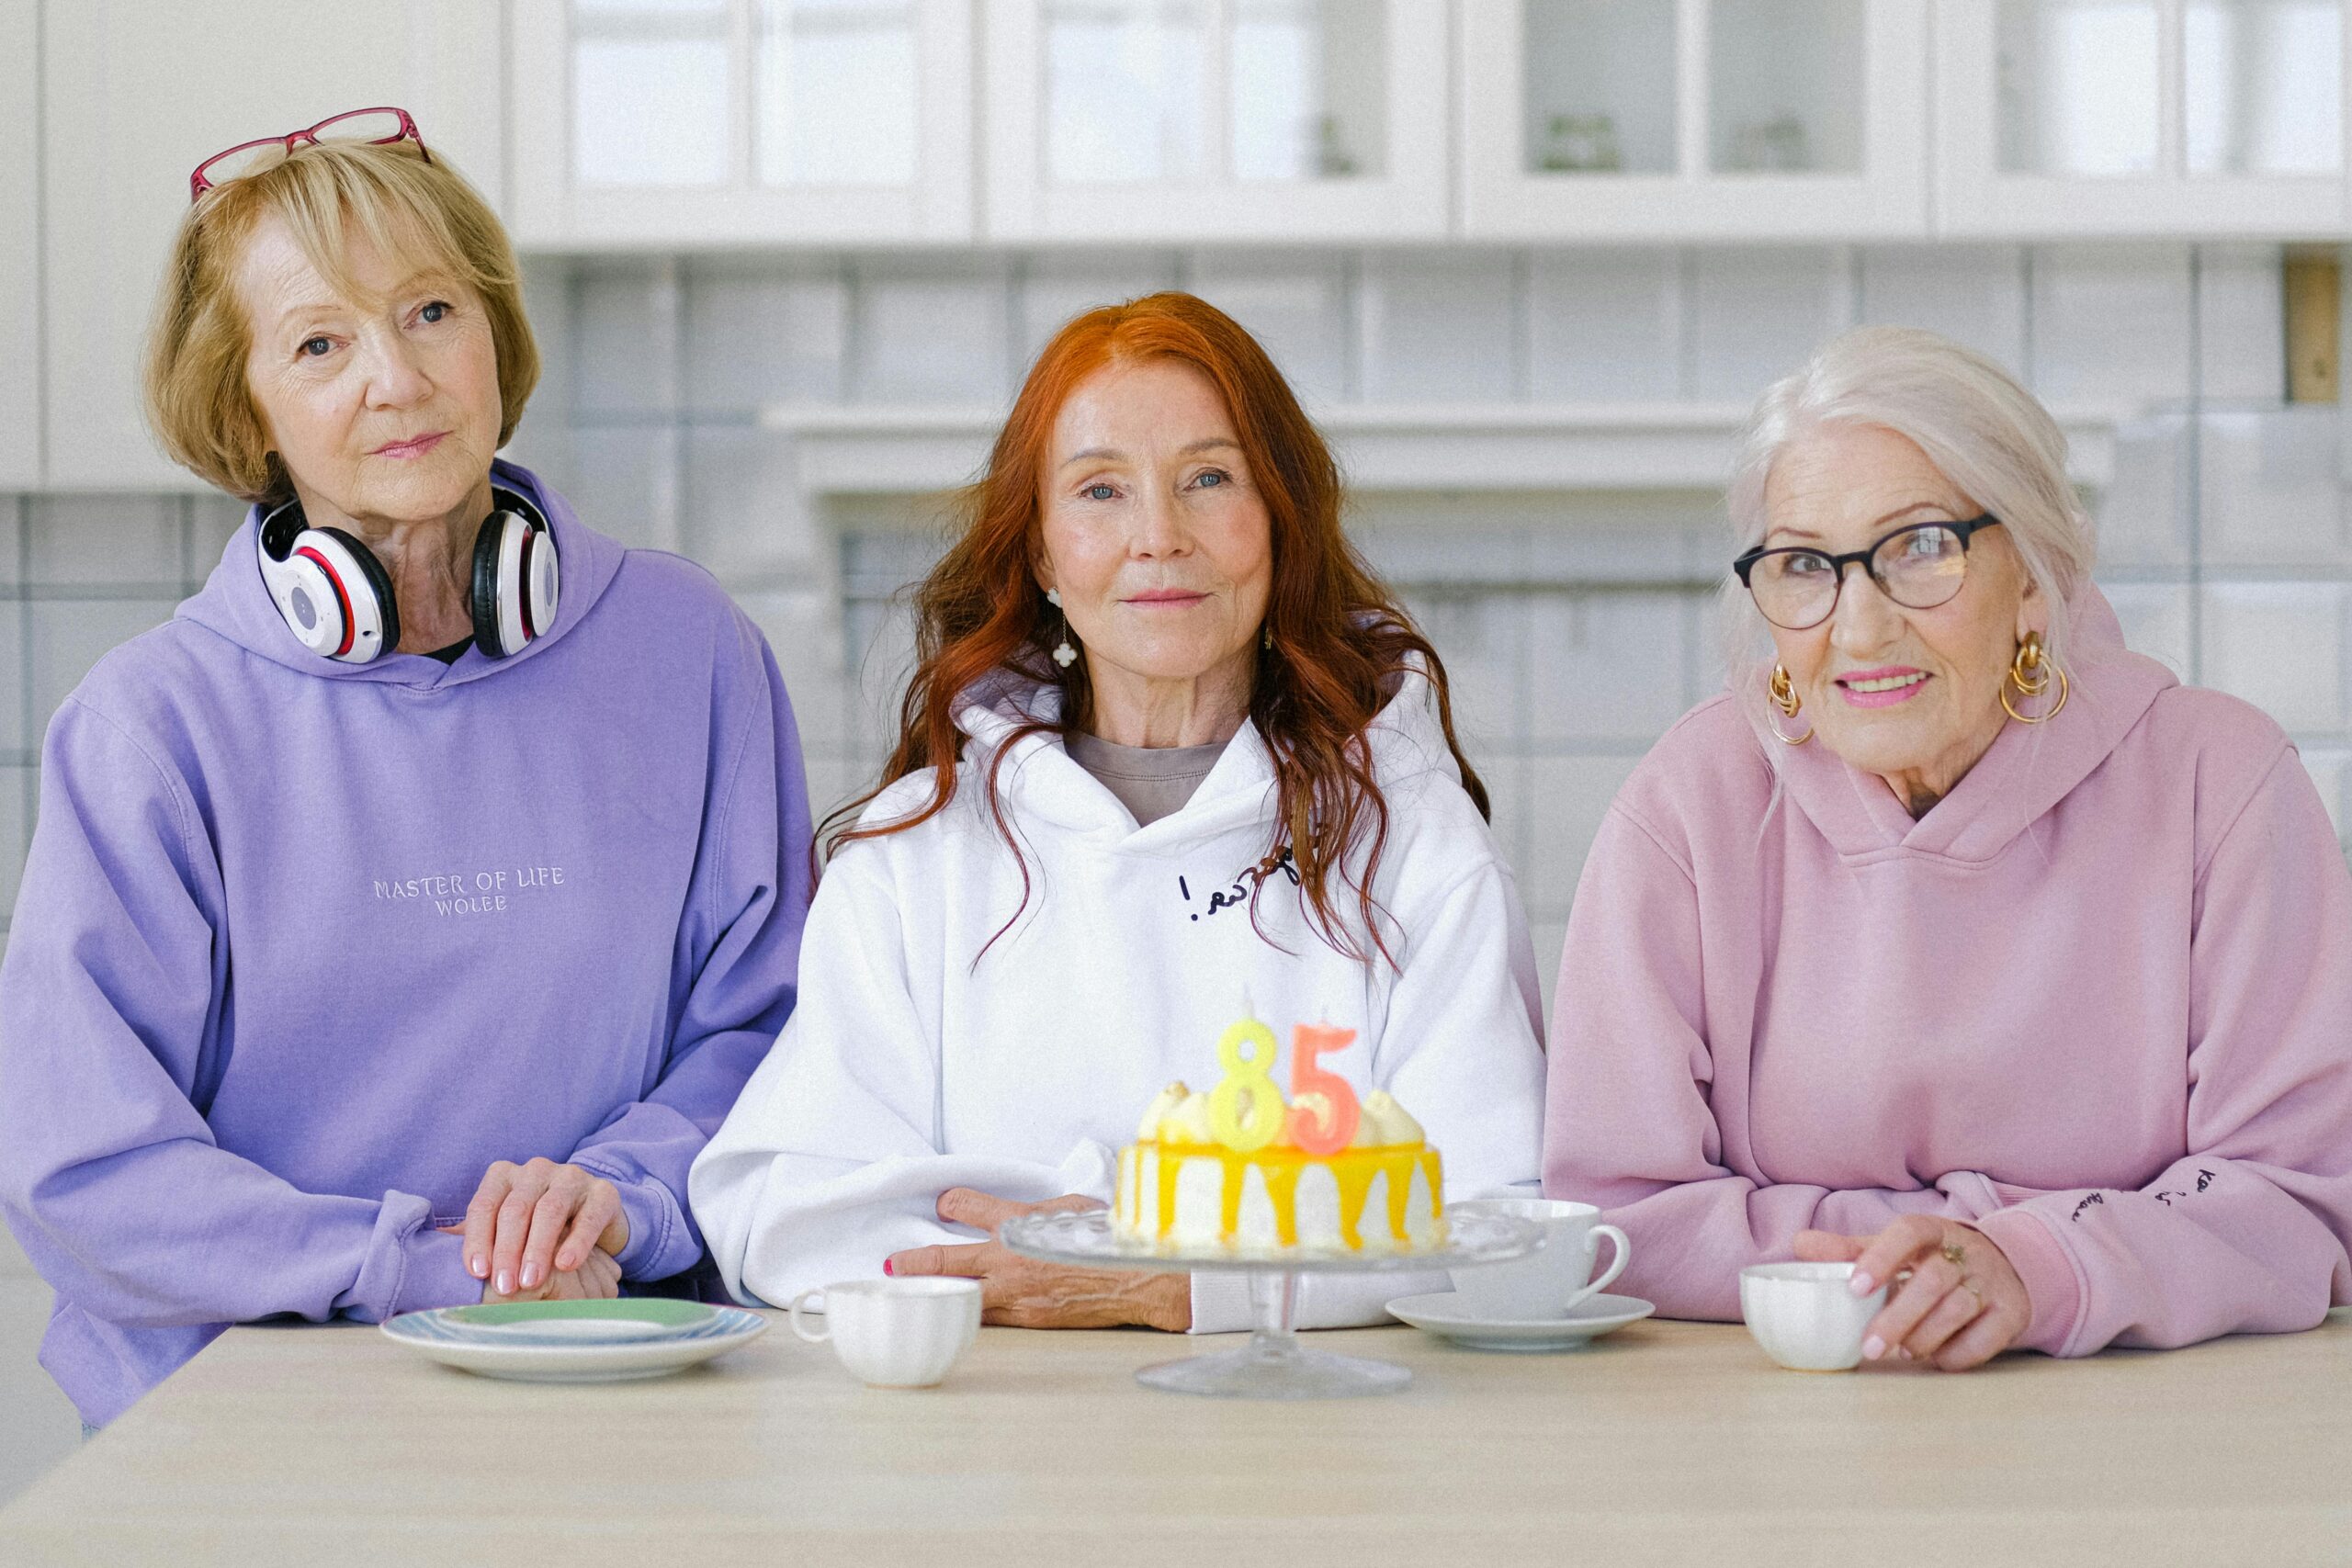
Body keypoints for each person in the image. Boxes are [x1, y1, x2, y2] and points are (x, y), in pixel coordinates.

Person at [0, 109, 812, 1428]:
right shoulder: (150, 728)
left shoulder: (692, 650)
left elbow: (773, 1027)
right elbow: (85, 1168)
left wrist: (618, 1196)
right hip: (252, 1414)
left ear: (495, 333)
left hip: (620, 1362)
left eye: (431, 311)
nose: (398, 377)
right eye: (320, 343)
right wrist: (430, 1269)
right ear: (246, 407)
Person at [691, 292, 1543, 1332]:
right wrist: (1062, 1263)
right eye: (1100, 490)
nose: (1158, 537)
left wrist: (1178, 1280)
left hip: (1303, 1418)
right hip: (994, 1413)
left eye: (1208, 479)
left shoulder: (1410, 840)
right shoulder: (916, 854)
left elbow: (1497, 1217)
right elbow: (780, 1207)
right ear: (1042, 554)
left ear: (1280, 520)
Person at [1544, 325, 2352, 1369]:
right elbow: (1615, 1219)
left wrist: (2035, 1265)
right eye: (1804, 566)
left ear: (2036, 573)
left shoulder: (2222, 783)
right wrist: (1938, 1262)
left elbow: (2298, 1201)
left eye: (1921, 547)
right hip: (1773, 1406)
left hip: (2145, 1420)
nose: (1860, 628)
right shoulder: (1690, 803)